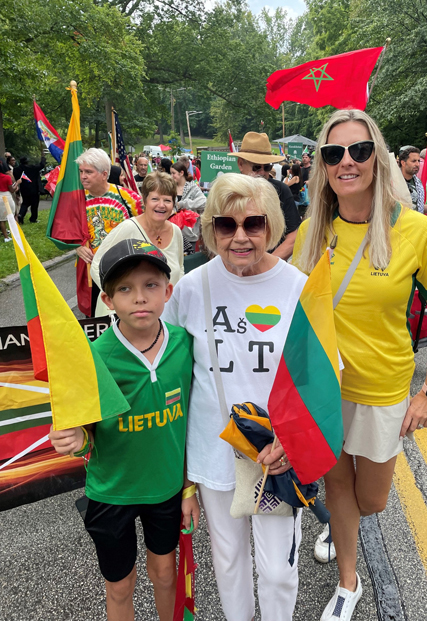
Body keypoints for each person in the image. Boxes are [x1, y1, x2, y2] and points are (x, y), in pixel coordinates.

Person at [292, 109, 427, 621]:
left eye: (359, 150)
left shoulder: (414, 232)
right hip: (323, 388)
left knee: (373, 497)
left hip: (382, 390)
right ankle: (349, 580)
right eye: (333, 153)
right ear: (322, 165)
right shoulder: (311, 232)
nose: (347, 162)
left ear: (377, 159)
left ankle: (342, 522)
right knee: (336, 485)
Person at [163, 173, 331, 621]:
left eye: (253, 224)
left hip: (276, 454)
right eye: (225, 225)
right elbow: (166, 367)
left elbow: (321, 375)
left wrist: (295, 444)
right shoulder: (191, 288)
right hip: (213, 449)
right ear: (210, 229)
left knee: (277, 571)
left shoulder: (297, 288)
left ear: (272, 226)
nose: (239, 237)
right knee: (229, 561)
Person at [49, 240, 196, 621]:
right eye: (125, 289)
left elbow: (196, 420)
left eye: (150, 285)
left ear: (168, 290)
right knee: (119, 586)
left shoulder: (185, 345)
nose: (140, 298)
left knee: (165, 575)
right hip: (112, 491)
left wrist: (189, 488)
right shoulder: (95, 358)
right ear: (109, 300)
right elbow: (84, 432)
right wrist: (76, 439)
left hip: (165, 488)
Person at [91, 171, 184, 317]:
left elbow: (180, 270)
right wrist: (118, 299)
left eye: (167, 200)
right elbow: (97, 264)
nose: (161, 205)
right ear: (145, 200)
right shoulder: (128, 228)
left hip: (162, 314)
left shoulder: (176, 231)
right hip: (122, 315)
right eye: (155, 199)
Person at [75, 148, 143, 316]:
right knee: (94, 319)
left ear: (104, 174)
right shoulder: (76, 200)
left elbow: (146, 227)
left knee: (124, 315)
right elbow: (68, 231)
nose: (83, 176)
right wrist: (77, 246)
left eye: (89, 172)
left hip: (124, 270)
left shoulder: (127, 197)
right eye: (81, 171)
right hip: (91, 273)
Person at [229, 132, 301, 260]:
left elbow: (294, 236)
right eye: (256, 167)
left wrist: (267, 265)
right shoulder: (228, 192)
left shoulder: (281, 191)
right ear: (240, 164)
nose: (262, 173)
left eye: (267, 167)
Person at [398, 146, 427, 214]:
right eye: (414, 161)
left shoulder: (418, 183)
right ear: (403, 163)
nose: (417, 164)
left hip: (414, 223)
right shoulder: (393, 182)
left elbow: (420, 209)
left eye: (418, 161)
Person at [14, 155, 46, 224]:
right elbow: (41, 165)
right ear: (27, 161)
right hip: (34, 189)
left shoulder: (16, 169)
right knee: (34, 204)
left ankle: (20, 215)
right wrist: (43, 159)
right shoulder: (32, 168)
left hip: (24, 189)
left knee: (25, 203)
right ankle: (33, 218)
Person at [0, 159, 17, 241]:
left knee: (1, 218)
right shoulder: (7, 177)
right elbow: (12, 190)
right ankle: (11, 234)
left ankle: (5, 235)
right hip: (6, 196)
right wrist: (17, 183)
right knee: (10, 215)